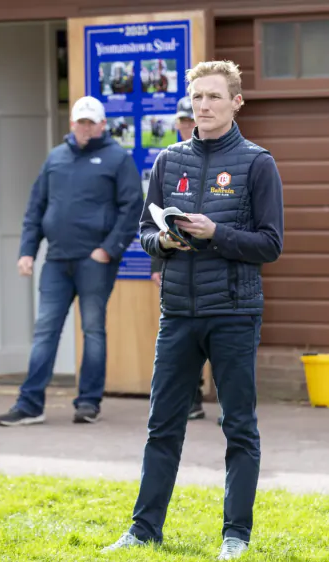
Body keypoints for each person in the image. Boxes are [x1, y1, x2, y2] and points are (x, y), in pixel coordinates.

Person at [103, 60, 284, 561]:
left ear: (236, 102)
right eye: (197, 98)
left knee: (238, 426)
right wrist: (161, 239)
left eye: (213, 97)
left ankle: (236, 536)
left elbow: (270, 244)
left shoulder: (257, 162)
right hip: (178, 311)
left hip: (233, 312)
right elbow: (144, 233)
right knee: (163, 424)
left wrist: (215, 234)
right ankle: (143, 530)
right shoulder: (169, 160)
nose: (203, 106)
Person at [0, 96, 144, 427]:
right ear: (72, 124)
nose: (86, 128)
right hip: (57, 261)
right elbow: (36, 207)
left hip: (95, 262)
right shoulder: (56, 158)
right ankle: (30, 404)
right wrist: (27, 251)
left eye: (92, 123)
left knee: (93, 330)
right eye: (81, 122)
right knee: (45, 331)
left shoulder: (118, 159)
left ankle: (88, 402)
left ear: (103, 125)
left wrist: (108, 250)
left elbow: (132, 208)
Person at [149, 96, 207, 421]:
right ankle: (192, 398)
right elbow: (155, 217)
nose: (187, 126)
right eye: (183, 121)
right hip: (177, 262)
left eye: (191, 120)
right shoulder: (169, 160)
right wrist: (157, 262)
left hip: (215, 262)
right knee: (183, 337)